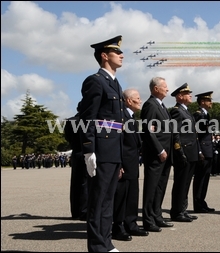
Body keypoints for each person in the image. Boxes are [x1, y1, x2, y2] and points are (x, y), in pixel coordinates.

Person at [79, 35, 125, 252]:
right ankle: (97, 247)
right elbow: (87, 117)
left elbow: (117, 122)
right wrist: (89, 149)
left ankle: (106, 243)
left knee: (108, 200)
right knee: (98, 201)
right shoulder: (95, 81)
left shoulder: (114, 83)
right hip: (101, 148)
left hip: (114, 149)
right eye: (117, 52)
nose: (122, 55)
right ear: (105, 56)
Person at [112, 88, 149, 241]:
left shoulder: (131, 117)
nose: (140, 101)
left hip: (132, 162)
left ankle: (131, 224)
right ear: (128, 100)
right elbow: (116, 141)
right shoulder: (120, 117)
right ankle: (118, 226)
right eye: (138, 98)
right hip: (124, 163)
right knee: (121, 197)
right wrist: (119, 164)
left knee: (132, 196)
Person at [140, 77, 174, 232]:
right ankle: (148, 219)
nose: (167, 89)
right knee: (151, 187)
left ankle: (157, 216)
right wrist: (159, 150)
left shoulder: (161, 106)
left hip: (166, 154)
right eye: (164, 87)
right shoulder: (150, 105)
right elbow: (147, 130)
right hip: (156, 154)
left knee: (160, 187)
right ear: (155, 89)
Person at [169, 83, 200, 222]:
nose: (190, 95)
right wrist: (179, 151)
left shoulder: (185, 110)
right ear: (180, 96)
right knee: (181, 183)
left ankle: (183, 209)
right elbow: (175, 133)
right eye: (187, 93)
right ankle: (176, 211)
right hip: (184, 151)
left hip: (191, 151)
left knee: (186, 183)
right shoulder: (177, 111)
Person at [192, 91, 216, 213]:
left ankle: (202, 202)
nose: (211, 102)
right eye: (209, 100)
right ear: (202, 102)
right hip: (203, 151)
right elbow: (196, 135)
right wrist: (199, 151)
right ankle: (198, 204)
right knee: (200, 179)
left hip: (208, 150)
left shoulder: (206, 114)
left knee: (205, 179)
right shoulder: (198, 115)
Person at [64, 102, 88, 221]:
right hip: (85, 152)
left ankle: (75, 211)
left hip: (75, 152)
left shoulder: (70, 121)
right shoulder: (88, 121)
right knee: (85, 183)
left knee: (75, 183)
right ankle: (84, 211)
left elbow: (67, 137)